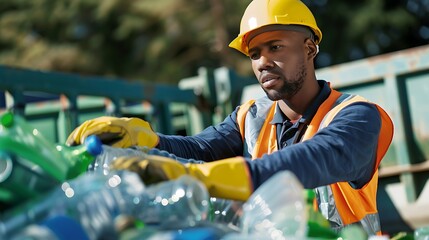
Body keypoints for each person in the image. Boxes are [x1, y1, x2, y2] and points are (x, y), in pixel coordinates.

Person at [66, 0, 394, 236]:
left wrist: (201, 177)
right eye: (254, 54)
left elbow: (310, 161)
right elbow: (200, 150)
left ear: (309, 49)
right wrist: (148, 140)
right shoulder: (250, 117)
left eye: (275, 47)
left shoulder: (358, 116)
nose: (263, 62)